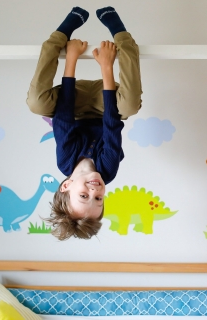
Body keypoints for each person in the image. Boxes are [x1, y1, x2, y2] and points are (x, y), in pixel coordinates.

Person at [26, 6, 142, 240]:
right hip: (105, 102)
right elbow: (111, 122)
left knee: (36, 104)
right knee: (129, 106)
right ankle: (119, 31)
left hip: (73, 102)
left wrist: (71, 58)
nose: (95, 191)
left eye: (84, 196)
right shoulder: (108, 169)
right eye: (99, 199)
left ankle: (63, 31)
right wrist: (107, 66)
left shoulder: (65, 161)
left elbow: (64, 116)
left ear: (66, 186)